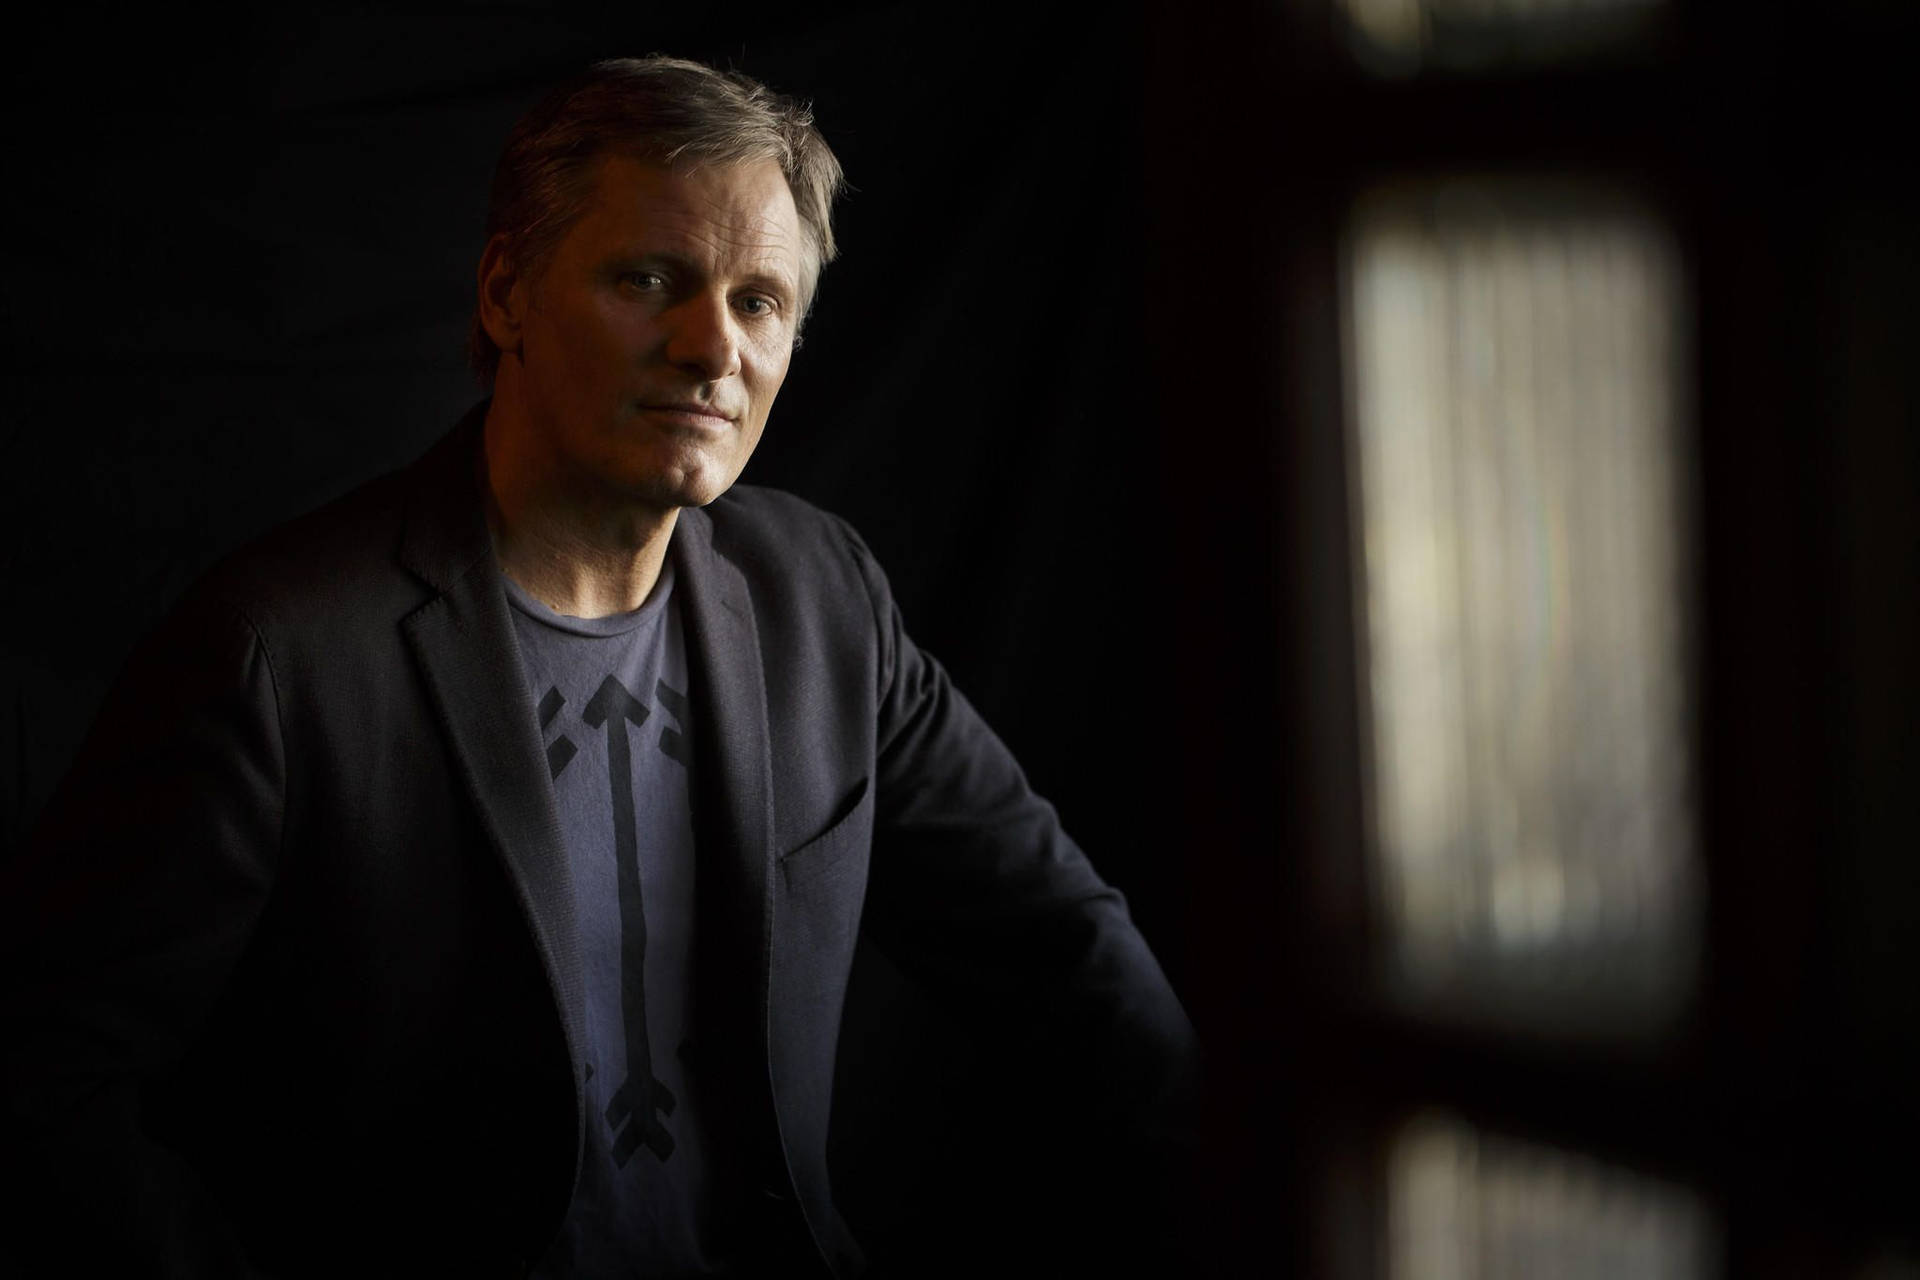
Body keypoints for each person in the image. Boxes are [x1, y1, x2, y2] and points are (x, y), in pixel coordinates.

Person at [0, 56, 1197, 1277]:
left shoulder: (823, 600)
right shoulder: (278, 653)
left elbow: (1071, 961)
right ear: (507, 288)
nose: (711, 347)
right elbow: (42, 1088)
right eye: (649, 279)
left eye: (760, 300)